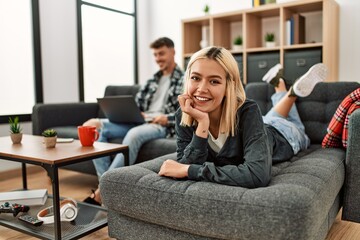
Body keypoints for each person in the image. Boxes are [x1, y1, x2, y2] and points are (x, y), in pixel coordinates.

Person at [158, 46, 327, 188]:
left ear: (228, 85)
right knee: (271, 117)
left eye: (214, 81)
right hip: (262, 124)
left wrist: (190, 171)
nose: (201, 88)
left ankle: (291, 93)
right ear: (187, 79)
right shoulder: (185, 114)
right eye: (195, 78)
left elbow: (256, 175)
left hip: (284, 134)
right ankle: (281, 86)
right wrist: (202, 124)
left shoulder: (247, 110)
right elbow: (185, 161)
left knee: (296, 126)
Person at [83, 37, 184, 205]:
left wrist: (166, 118)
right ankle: (106, 186)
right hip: (140, 120)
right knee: (94, 126)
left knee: (134, 134)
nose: (158, 58)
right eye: (155, 55)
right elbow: (136, 105)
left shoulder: (184, 79)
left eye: (162, 53)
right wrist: (132, 113)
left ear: (173, 52)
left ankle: (103, 190)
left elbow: (185, 112)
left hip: (160, 124)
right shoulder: (152, 80)